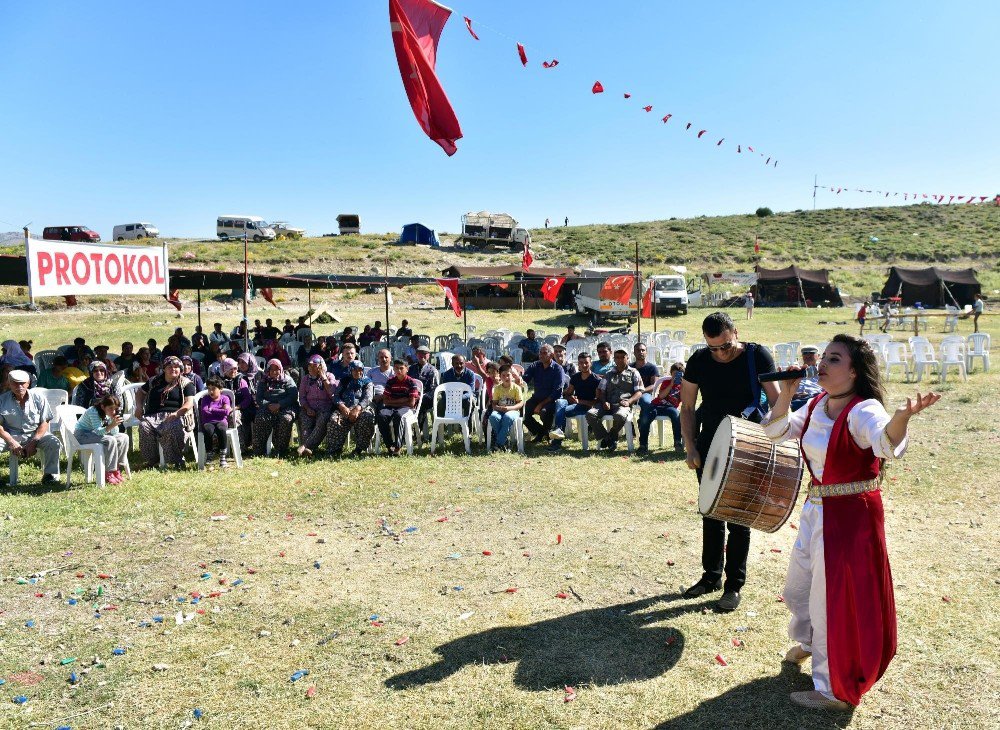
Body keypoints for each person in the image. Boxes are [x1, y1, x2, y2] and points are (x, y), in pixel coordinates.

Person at [763, 335, 940, 710]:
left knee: (834, 601)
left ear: (854, 372)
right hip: (817, 509)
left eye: (835, 359)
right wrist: (786, 392)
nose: (823, 363)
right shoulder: (815, 403)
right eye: (824, 356)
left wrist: (902, 419)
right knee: (799, 587)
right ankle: (811, 643)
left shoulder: (864, 410)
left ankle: (834, 690)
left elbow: (885, 443)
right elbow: (776, 431)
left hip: (851, 515)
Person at [679, 312, 779, 612]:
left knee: (738, 517)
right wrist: (690, 447)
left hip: (748, 444)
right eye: (713, 348)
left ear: (735, 332)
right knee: (711, 512)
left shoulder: (757, 355)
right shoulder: (699, 360)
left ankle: (733, 585)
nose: (720, 353)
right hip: (709, 443)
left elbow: (775, 404)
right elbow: (687, 406)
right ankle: (709, 577)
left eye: (725, 345)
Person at [134, 356, 197, 470]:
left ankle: (176, 460)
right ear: (164, 368)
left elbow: (189, 403)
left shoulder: (186, 383)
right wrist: (138, 407)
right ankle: (152, 461)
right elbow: (140, 392)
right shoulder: (154, 381)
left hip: (176, 415)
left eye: (177, 367)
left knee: (172, 427)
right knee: (144, 426)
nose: (173, 369)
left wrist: (177, 414)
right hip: (152, 415)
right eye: (170, 367)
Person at [0, 370, 61, 485]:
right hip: (10, 434)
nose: (19, 386)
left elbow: (45, 421)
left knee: (54, 443)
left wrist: (34, 441)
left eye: (22, 383)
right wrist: (11, 441)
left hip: (34, 433)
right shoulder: (2, 400)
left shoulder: (39, 398)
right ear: (9, 383)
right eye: (15, 383)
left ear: (28, 383)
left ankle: (50, 475)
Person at [587, 349, 642, 450]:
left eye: (622, 357)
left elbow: (639, 392)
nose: (620, 360)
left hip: (623, 404)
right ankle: (607, 437)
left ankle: (611, 436)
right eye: (617, 357)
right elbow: (601, 390)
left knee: (620, 416)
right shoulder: (608, 373)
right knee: (590, 414)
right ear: (614, 359)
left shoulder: (634, 372)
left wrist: (629, 402)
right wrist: (604, 402)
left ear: (627, 358)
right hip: (607, 403)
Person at [548, 352, 602, 451]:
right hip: (575, 404)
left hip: (587, 407)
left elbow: (596, 402)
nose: (584, 365)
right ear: (578, 364)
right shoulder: (576, 377)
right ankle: (558, 430)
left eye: (586, 363)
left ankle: (556, 441)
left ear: (591, 364)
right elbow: (568, 393)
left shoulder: (596, 380)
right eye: (581, 363)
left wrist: (579, 401)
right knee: (560, 402)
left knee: (562, 411)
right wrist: (570, 398)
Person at [74, 393, 129, 484]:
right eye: (110, 408)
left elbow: (114, 433)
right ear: (103, 406)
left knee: (123, 437)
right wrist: (111, 425)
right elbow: (98, 431)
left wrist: (113, 421)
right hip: (82, 435)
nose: (113, 411)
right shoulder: (94, 411)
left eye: (115, 408)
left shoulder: (108, 413)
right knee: (110, 440)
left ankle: (116, 468)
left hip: (93, 434)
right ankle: (108, 472)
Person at [327, 360, 376, 457]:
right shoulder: (344, 381)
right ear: (350, 370)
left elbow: (368, 397)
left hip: (362, 408)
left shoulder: (367, 382)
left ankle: (359, 449)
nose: (357, 372)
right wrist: (342, 406)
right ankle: (335, 450)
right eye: (354, 370)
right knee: (334, 420)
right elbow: (336, 396)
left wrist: (358, 409)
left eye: (360, 370)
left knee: (366, 418)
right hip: (345, 408)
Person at [252, 359, 298, 458]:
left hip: (286, 406)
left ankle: (281, 450)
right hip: (268, 406)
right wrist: (268, 405)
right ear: (267, 370)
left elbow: (293, 396)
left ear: (280, 369)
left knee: (286, 419)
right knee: (260, 418)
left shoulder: (288, 380)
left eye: (276, 369)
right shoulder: (263, 381)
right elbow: (259, 398)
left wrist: (279, 405)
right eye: (271, 369)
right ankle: (259, 450)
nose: (274, 372)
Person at [636, 362, 685, 453]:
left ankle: (678, 442)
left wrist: (683, 386)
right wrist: (671, 384)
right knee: (645, 417)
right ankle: (643, 444)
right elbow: (661, 396)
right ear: (671, 374)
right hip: (657, 405)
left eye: (679, 375)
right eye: (674, 374)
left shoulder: (684, 386)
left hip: (670, 408)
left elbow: (685, 400)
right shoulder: (666, 382)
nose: (676, 377)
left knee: (676, 415)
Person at [520, 344, 565, 443]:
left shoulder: (558, 369)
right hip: (537, 398)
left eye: (544, 353)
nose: (541, 355)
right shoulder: (535, 365)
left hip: (552, 400)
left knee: (544, 412)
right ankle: (543, 432)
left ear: (551, 355)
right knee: (522, 411)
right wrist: (517, 378)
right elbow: (525, 379)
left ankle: (542, 435)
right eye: (540, 353)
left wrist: (540, 405)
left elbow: (557, 393)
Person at [377, 359, 420, 456]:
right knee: (381, 415)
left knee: (398, 416)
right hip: (391, 407)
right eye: (396, 368)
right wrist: (403, 400)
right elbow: (385, 400)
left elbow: (411, 404)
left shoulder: (411, 382)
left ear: (407, 369)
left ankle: (398, 446)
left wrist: (393, 402)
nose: (399, 371)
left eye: (401, 368)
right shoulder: (390, 381)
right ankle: (389, 445)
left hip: (406, 409)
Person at [297, 355, 337, 457]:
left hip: (325, 408)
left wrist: (323, 378)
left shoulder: (329, 376)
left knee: (322, 420)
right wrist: (307, 408)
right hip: (309, 407)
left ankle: (305, 446)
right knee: (305, 422)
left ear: (321, 367)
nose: (310, 368)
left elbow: (332, 392)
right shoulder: (305, 379)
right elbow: (302, 397)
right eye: (309, 366)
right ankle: (309, 450)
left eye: (314, 366)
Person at [488, 365, 526, 451]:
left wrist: (509, 408)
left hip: (513, 411)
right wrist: (499, 408)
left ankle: (499, 443)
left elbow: (520, 403)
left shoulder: (516, 388)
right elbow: (494, 404)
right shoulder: (497, 388)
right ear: (500, 376)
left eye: (508, 375)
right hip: (500, 410)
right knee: (493, 417)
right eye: (503, 375)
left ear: (512, 375)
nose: (506, 377)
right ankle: (505, 441)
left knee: (507, 417)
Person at [198, 377, 233, 468]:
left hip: (221, 421)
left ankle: (222, 457)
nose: (211, 391)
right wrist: (220, 410)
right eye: (209, 389)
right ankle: (209, 453)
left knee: (221, 429)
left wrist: (212, 409)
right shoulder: (205, 399)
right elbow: (205, 411)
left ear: (220, 389)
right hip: (208, 421)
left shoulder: (225, 398)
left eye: (213, 388)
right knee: (208, 430)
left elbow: (226, 412)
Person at [631, 343, 660, 445]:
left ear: (646, 352)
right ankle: (630, 425)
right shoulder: (630, 367)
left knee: (647, 403)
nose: (641, 352)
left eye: (643, 350)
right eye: (638, 350)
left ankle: (642, 425)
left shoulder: (652, 368)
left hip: (645, 393)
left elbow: (654, 385)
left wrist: (640, 391)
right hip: (630, 394)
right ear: (634, 352)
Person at [408, 345, 439, 436]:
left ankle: (417, 431)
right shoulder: (411, 369)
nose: (422, 356)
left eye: (424, 354)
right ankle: (405, 430)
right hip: (413, 396)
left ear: (428, 355)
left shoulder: (432, 370)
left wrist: (421, 396)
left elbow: (435, 389)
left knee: (421, 404)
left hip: (427, 397)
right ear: (416, 355)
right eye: (419, 354)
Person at [790, 347, 824, 412]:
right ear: (802, 356)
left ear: (818, 356)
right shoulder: (796, 371)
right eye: (805, 353)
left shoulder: (823, 372)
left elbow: (828, 392)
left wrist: (812, 395)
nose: (808, 355)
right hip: (794, 401)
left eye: (811, 353)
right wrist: (793, 395)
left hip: (815, 401)